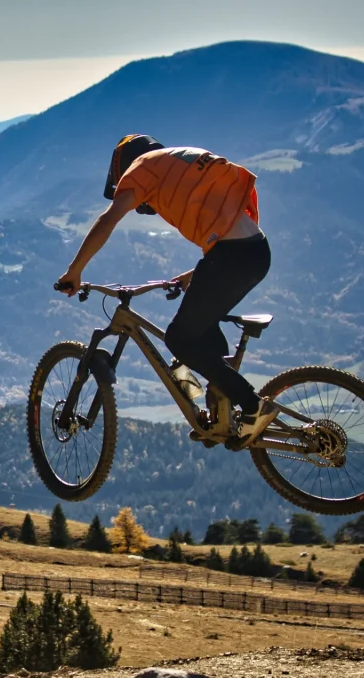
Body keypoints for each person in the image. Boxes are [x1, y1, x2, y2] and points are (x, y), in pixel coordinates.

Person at [56, 134, 277, 446]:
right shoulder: (178, 159)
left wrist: (74, 271)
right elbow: (228, 219)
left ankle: (252, 405)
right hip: (254, 250)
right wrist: (196, 272)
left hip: (232, 256)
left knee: (178, 339)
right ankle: (221, 412)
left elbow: (108, 219)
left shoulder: (141, 168)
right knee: (198, 324)